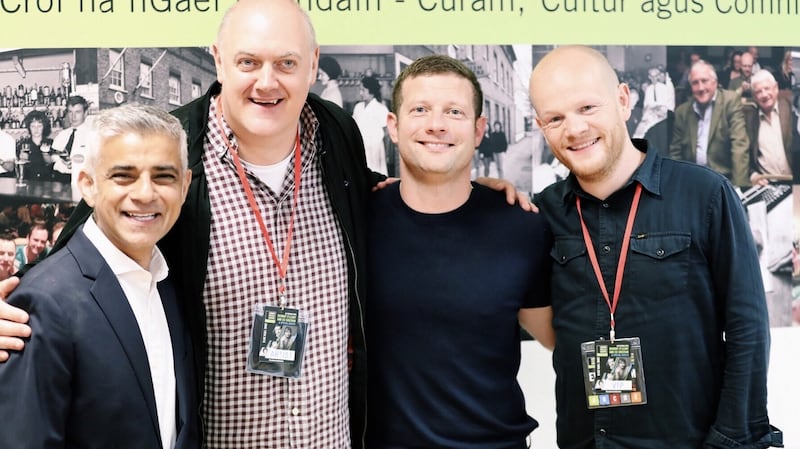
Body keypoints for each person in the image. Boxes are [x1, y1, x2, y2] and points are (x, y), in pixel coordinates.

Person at [0, 2, 526, 446]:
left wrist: (476, 193)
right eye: (248, 61)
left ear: (313, 64)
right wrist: (16, 306)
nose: (267, 82)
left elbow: (393, 190)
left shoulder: (337, 137)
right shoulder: (176, 151)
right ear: (219, 60)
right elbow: (85, 253)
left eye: (287, 63)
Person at [530, 45, 781, 449]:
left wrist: (733, 438)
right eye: (555, 118)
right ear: (542, 126)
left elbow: (747, 329)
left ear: (624, 100)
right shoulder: (542, 213)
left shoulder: (705, 195)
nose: (574, 129)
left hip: (690, 440)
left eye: (588, 108)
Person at [367, 54, 554, 448]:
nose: (436, 124)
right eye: (420, 109)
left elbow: (559, 337)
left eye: (454, 111)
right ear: (394, 127)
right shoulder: (354, 221)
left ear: (479, 128)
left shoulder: (522, 226)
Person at [0, 103, 198, 449]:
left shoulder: (170, 282)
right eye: (124, 175)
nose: (145, 193)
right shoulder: (43, 303)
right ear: (87, 185)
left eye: (164, 176)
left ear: (184, 186)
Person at [669, 59, 751, 187]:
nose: (701, 88)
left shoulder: (730, 101)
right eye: (695, 83)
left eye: (704, 81)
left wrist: (739, 189)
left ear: (715, 82)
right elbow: (675, 154)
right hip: (692, 182)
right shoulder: (682, 112)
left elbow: (739, 146)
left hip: (723, 181)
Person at [51, 95, 91, 193]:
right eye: (70, 112)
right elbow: (53, 157)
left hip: (81, 182)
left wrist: (77, 164)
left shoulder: (93, 136)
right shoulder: (61, 135)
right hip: (59, 181)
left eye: (78, 112)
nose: (73, 117)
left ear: (85, 113)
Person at [353, 74, 390, 174]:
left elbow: (386, 133)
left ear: (371, 91)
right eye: (360, 89)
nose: (360, 93)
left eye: (363, 90)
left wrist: (386, 154)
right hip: (360, 148)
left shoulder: (381, 109)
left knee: (376, 176)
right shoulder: (358, 107)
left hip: (375, 149)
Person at [17, 110, 54, 181]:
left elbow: (52, 164)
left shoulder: (51, 143)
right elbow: (19, 169)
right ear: (29, 127)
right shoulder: (23, 145)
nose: (36, 129)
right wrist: (22, 160)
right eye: (33, 126)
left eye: (39, 126)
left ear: (44, 127)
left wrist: (45, 154)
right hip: (29, 182)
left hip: (47, 183)